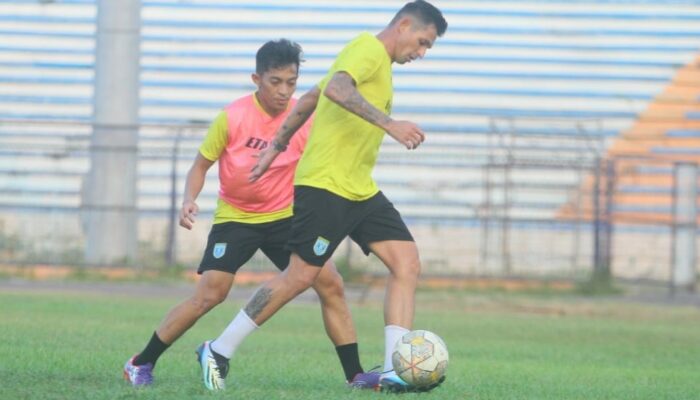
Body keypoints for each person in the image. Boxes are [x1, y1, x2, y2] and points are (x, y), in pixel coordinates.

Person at [203, 0, 448, 393]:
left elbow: (311, 97)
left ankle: (391, 370)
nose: (421, 53)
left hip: (359, 189)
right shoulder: (367, 49)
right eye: (422, 43)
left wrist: (275, 147)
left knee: (406, 262)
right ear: (403, 25)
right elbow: (335, 88)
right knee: (301, 276)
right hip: (326, 187)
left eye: (427, 48)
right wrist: (390, 124)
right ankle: (218, 348)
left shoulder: (380, 65)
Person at [123, 39, 379, 391]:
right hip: (236, 218)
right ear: (256, 79)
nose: (284, 91)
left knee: (331, 284)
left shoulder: (305, 118)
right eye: (275, 82)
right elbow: (200, 165)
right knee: (210, 295)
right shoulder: (232, 117)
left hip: (286, 218)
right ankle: (140, 362)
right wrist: (188, 200)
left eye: (291, 82)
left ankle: (356, 375)